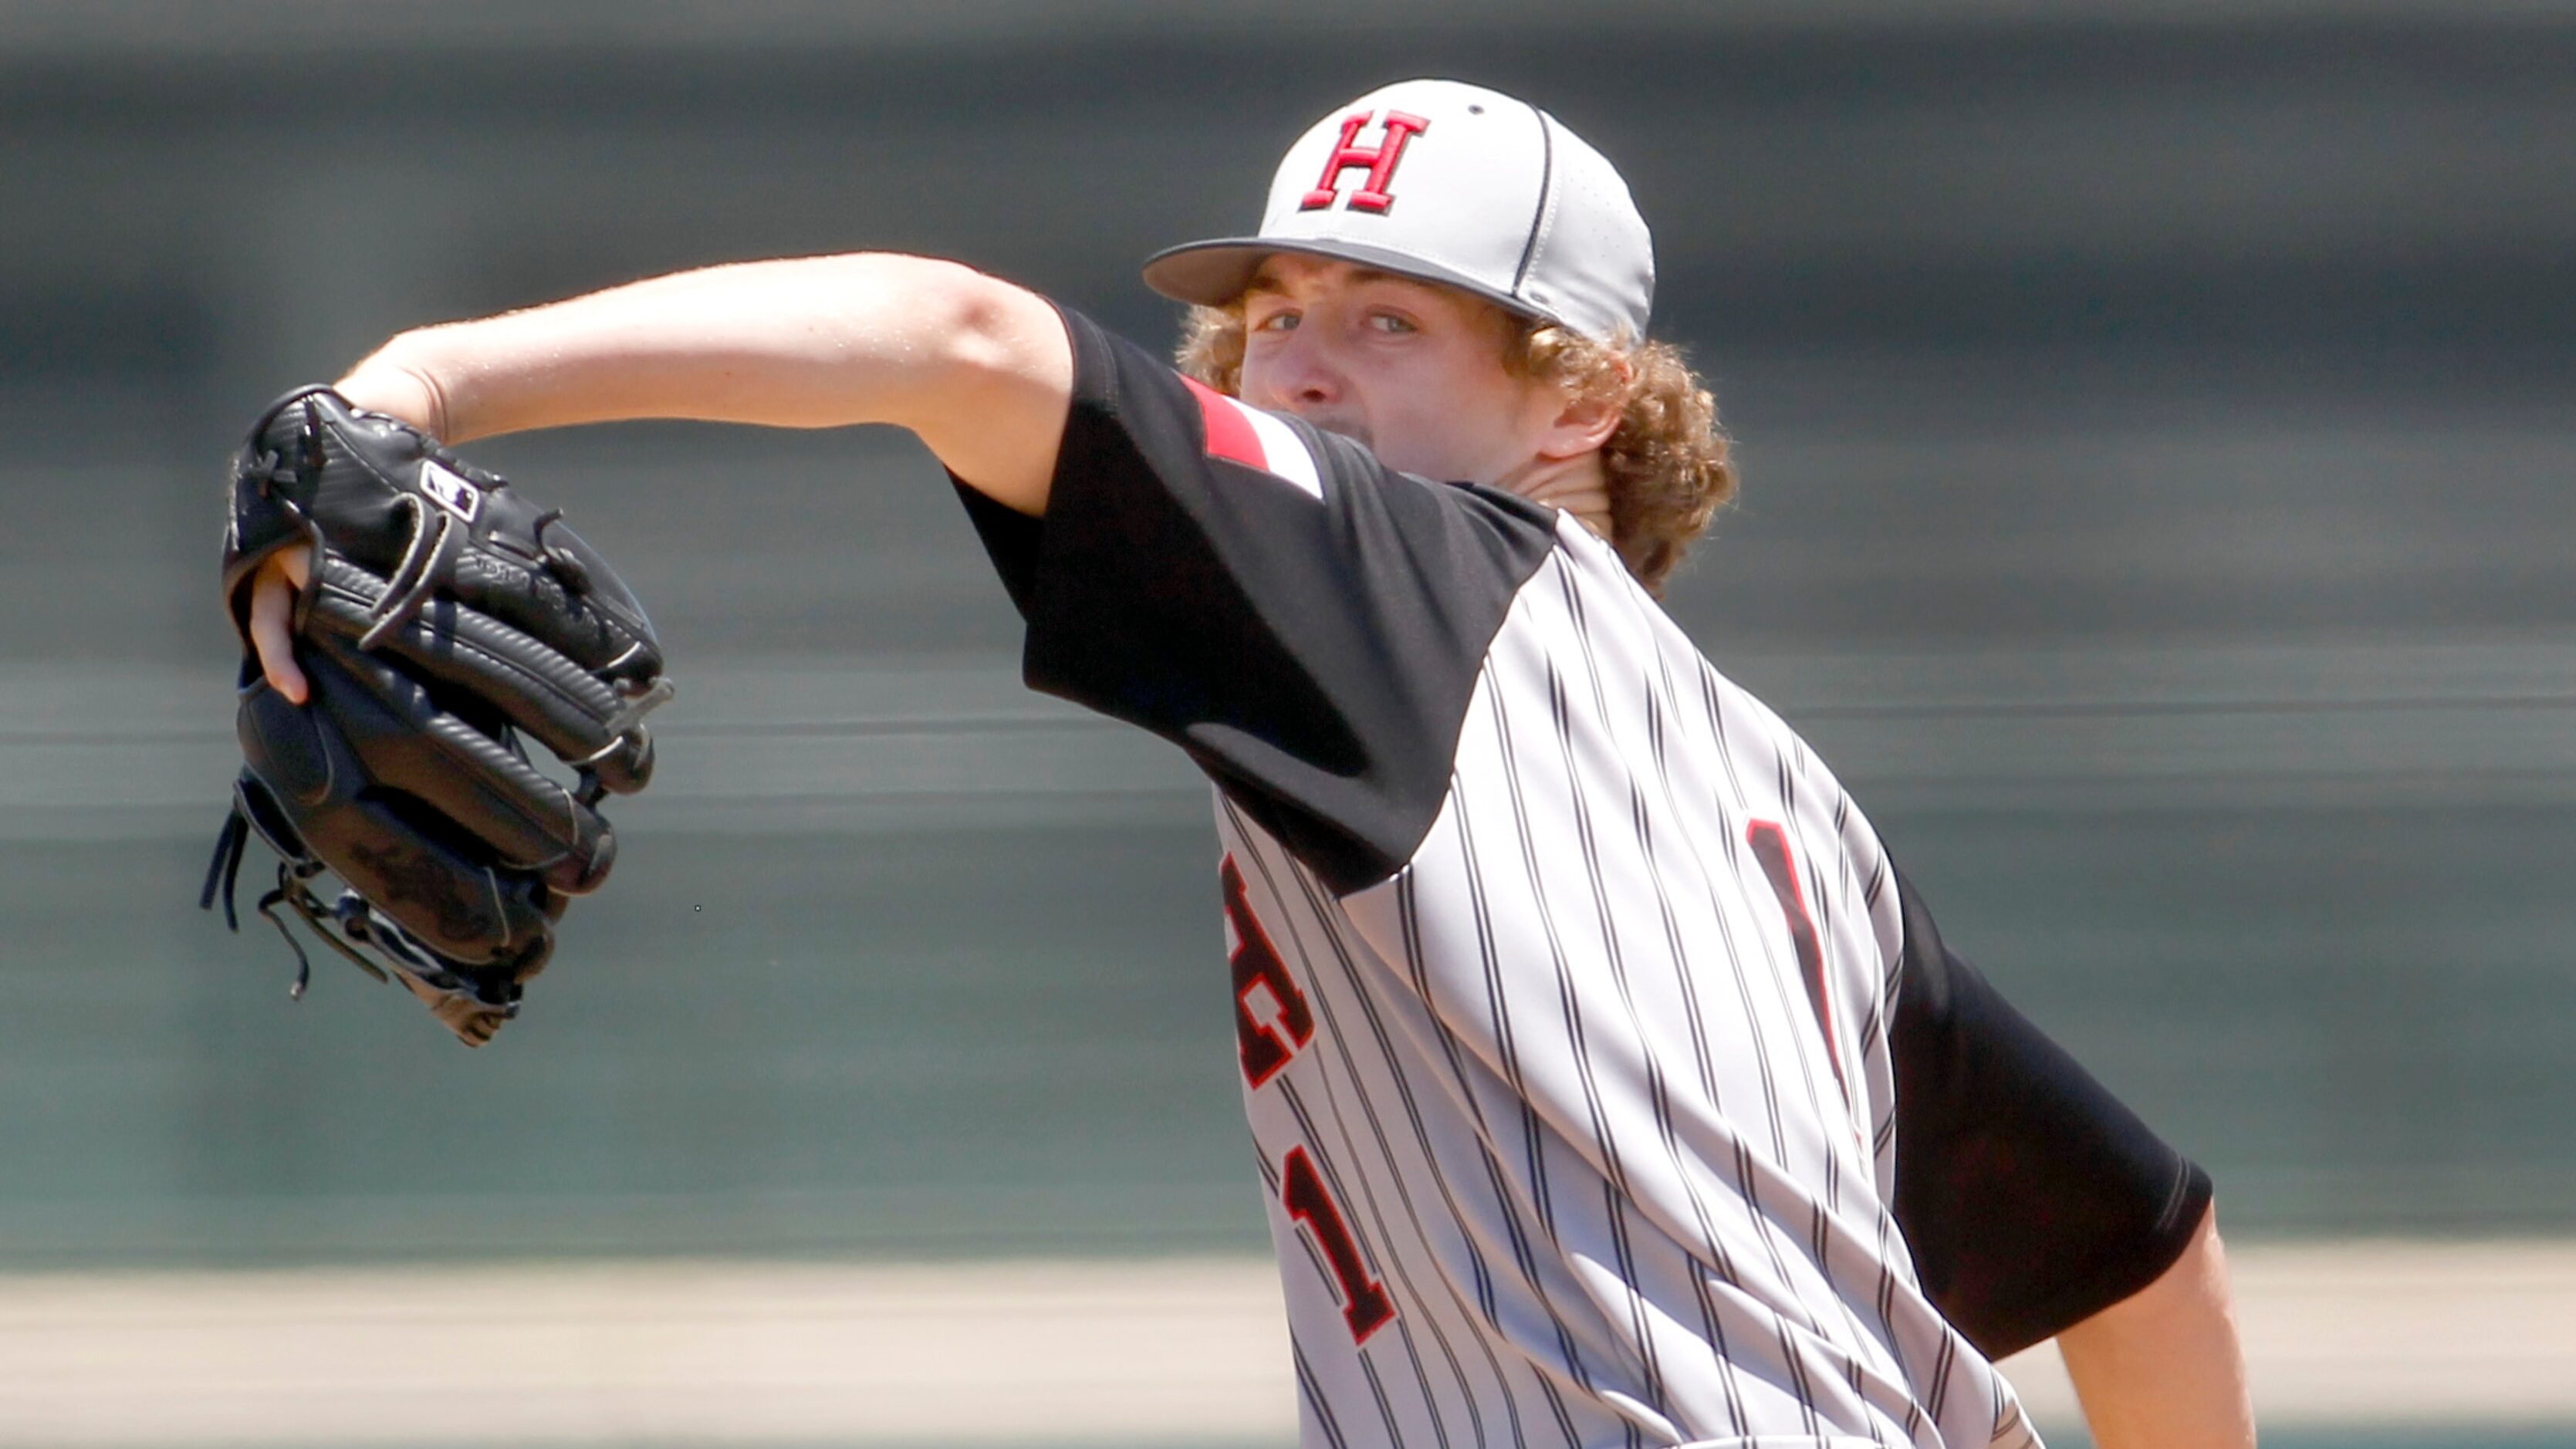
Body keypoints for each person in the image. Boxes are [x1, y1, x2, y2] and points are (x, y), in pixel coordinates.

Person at [242, 79, 2254, 1449]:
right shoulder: (1782, 815)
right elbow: (2142, 1250)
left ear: (1577, 409)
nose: (1294, 366)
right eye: (1277, 311)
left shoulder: (1402, 575)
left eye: (1389, 324)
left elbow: (947, 333)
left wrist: (419, 379)